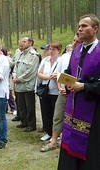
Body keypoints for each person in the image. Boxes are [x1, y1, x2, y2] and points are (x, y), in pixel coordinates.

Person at [58, 14, 100, 170]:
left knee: (90, 149)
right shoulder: (76, 51)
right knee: (69, 142)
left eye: (84, 26)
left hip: (94, 111)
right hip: (73, 108)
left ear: (95, 29)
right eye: (79, 26)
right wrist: (66, 85)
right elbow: (70, 72)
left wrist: (83, 87)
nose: (80, 29)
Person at [40, 35, 81, 152]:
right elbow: (59, 74)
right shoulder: (65, 57)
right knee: (57, 116)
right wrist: (60, 87)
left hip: (78, 92)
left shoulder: (84, 56)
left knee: (76, 118)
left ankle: (73, 141)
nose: (74, 43)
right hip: (63, 92)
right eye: (73, 40)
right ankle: (53, 141)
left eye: (77, 41)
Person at [14, 37, 39, 132]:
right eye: (21, 41)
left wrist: (19, 79)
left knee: (30, 107)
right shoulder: (21, 54)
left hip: (28, 86)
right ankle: (24, 122)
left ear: (30, 43)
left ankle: (31, 125)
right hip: (19, 86)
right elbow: (16, 67)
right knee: (21, 106)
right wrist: (14, 76)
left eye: (24, 41)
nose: (22, 43)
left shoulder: (34, 55)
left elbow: (31, 71)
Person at [37, 42, 62, 141]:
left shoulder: (61, 61)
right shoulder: (45, 61)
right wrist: (48, 77)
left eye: (53, 49)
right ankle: (48, 132)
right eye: (50, 49)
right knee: (45, 111)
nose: (51, 51)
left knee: (55, 113)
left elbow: (62, 74)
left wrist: (56, 77)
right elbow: (39, 73)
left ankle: (56, 133)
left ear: (58, 50)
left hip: (56, 91)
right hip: (45, 90)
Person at [38, 44, 51, 133]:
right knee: (44, 109)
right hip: (43, 87)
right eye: (44, 50)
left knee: (51, 110)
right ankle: (45, 126)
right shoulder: (44, 60)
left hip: (53, 89)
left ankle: (51, 129)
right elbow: (39, 73)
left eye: (47, 50)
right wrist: (46, 77)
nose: (45, 52)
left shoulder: (58, 60)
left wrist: (45, 76)